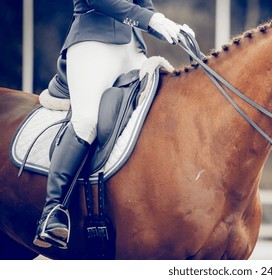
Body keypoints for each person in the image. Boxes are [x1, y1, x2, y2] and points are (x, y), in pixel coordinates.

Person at [33, 0, 193, 249]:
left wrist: (167, 26)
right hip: (93, 41)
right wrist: (150, 20)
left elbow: (143, 7)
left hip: (133, 49)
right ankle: (53, 209)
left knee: (161, 113)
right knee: (87, 121)